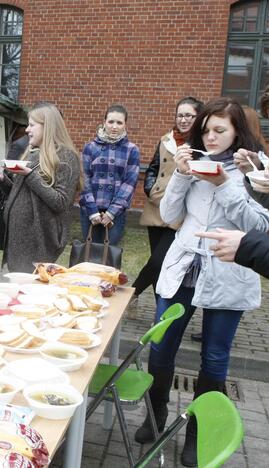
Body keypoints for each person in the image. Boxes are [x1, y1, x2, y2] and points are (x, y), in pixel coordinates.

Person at [136, 98, 269, 467]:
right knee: (161, 347)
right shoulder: (192, 162)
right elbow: (169, 214)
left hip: (230, 268)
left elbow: (258, 227)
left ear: (237, 132)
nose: (210, 137)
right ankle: (156, 413)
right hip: (184, 264)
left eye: (219, 130)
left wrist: (226, 183)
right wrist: (180, 174)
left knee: (214, 358)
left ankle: (197, 430)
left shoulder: (255, 170)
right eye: (206, 129)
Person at [0, 103, 81, 272]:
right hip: (18, 240)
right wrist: (2, 179)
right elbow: (21, 193)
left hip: (39, 241)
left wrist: (29, 174)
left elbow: (61, 202)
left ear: (48, 127)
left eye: (31, 125)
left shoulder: (66, 157)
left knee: (32, 292)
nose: (27, 130)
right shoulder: (33, 153)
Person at [132, 97, 204, 309]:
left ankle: (131, 294)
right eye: (180, 115)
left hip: (182, 212)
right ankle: (160, 311)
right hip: (157, 207)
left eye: (189, 115)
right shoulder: (167, 139)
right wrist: (151, 190)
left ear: (198, 117)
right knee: (158, 262)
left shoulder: (202, 145)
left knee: (160, 262)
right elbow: (153, 167)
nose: (183, 120)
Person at [79, 104, 140, 246]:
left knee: (108, 257)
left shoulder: (131, 150)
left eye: (119, 122)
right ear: (104, 122)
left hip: (115, 213)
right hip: (90, 210)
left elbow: (130, 183)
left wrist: (112, 212)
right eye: (111, 122)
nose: (114, 126)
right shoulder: (90, 147)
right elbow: (84, 179)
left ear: (125, 125)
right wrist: (92, 210)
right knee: (90, 254)